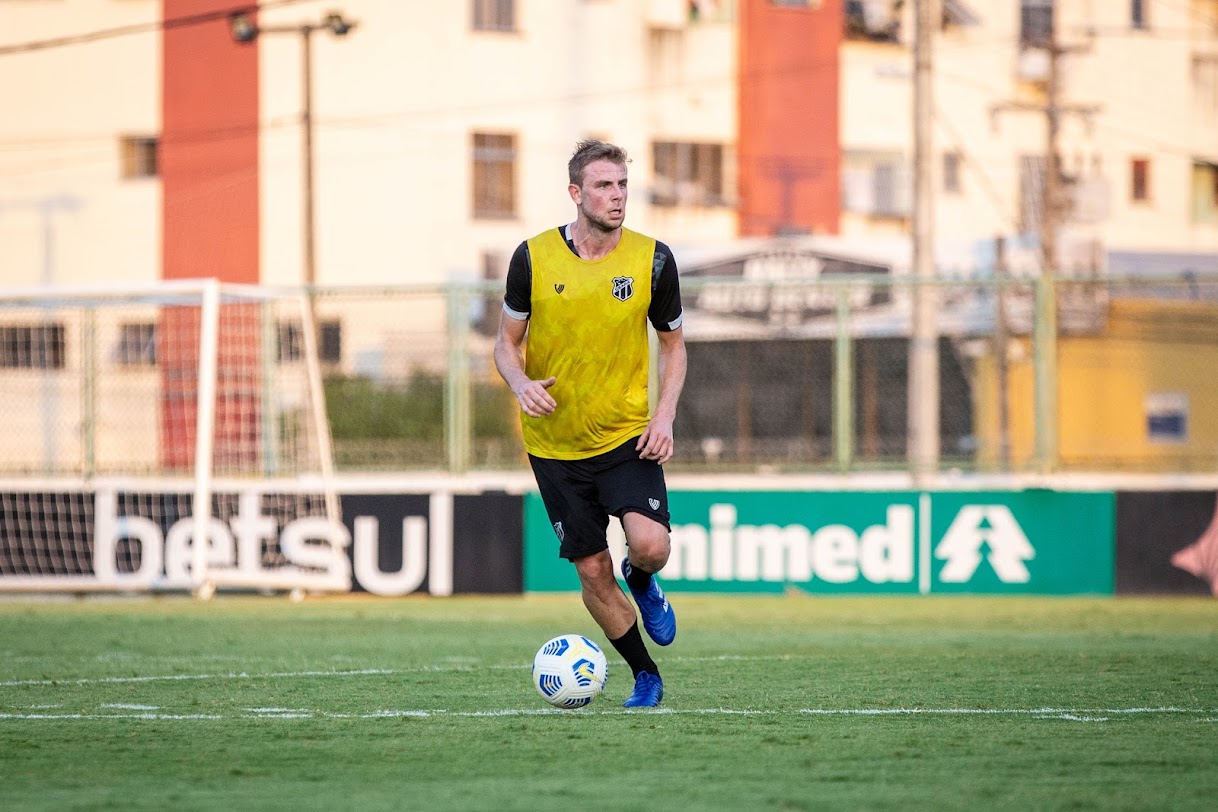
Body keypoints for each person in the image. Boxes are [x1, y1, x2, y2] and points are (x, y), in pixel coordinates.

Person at [494, 139, 687, 708]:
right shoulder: (531, 257)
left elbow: (675, 348)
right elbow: (506, 345)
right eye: (604, 185)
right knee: (592, 570)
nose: (618, 196)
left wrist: (665, 417)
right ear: (576, 193)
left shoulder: (654, 259)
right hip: (555, 448)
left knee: (650, 546)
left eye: (623, 184)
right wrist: (521, 383)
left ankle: (645, 578)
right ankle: (645, 675)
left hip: (626, 435)